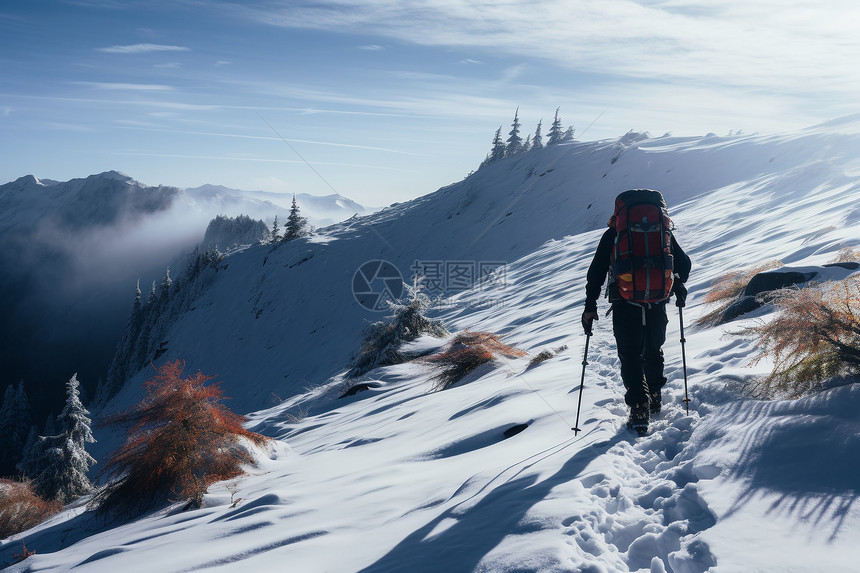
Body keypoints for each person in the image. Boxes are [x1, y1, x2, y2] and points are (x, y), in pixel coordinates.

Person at [581, 189, 691, 435]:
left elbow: (597, 271)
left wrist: (590, 305)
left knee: (630, 354)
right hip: (657, 299)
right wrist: (678, 284)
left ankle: (639, 407)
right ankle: (654, 395)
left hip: (624, 301)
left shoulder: (614, 233)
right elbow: (684, 264)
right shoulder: (663, 232)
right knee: (653, 349)